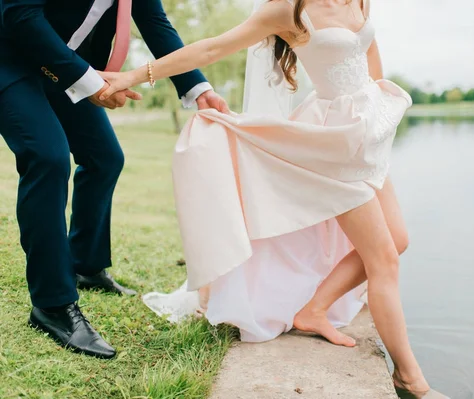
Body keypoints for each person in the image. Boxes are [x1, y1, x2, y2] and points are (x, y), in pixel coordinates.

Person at [101, 0, 448, 397]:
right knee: (383, 257)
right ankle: (411, 379)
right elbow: (212, 48)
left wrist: (379, 122)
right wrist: (134, 73)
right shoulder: (287, 9)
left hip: (366, 135)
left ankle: (314, 310)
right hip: (332, 146)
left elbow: (368, 53)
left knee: (398, 240)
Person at [0, 0, 228, 359]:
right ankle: (53, 304)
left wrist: (198, 88)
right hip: (9, 55)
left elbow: (155, 22)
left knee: (105, 158)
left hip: (61, 64)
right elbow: (19, 15)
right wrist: (90, 82)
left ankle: (86, 266)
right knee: (48, 158)